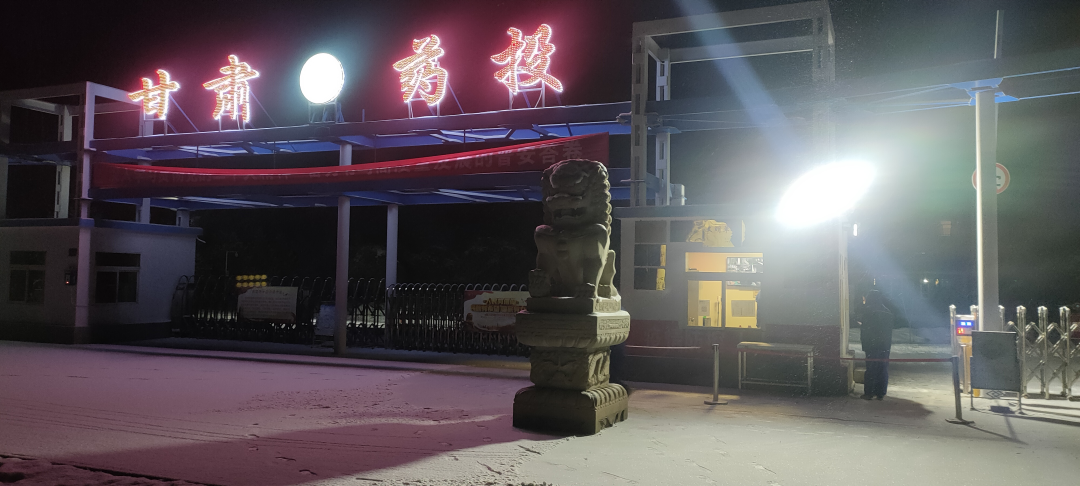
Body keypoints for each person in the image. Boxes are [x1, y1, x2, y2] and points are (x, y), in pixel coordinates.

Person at [859, 290, 894, 400]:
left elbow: (866, 329)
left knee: (871, 368)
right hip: (885, 346)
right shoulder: (887, 312)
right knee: (882, 368)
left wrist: (865, 344)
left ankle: (869, 392)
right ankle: (881, 392)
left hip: (872, 345)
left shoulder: (868, 311)